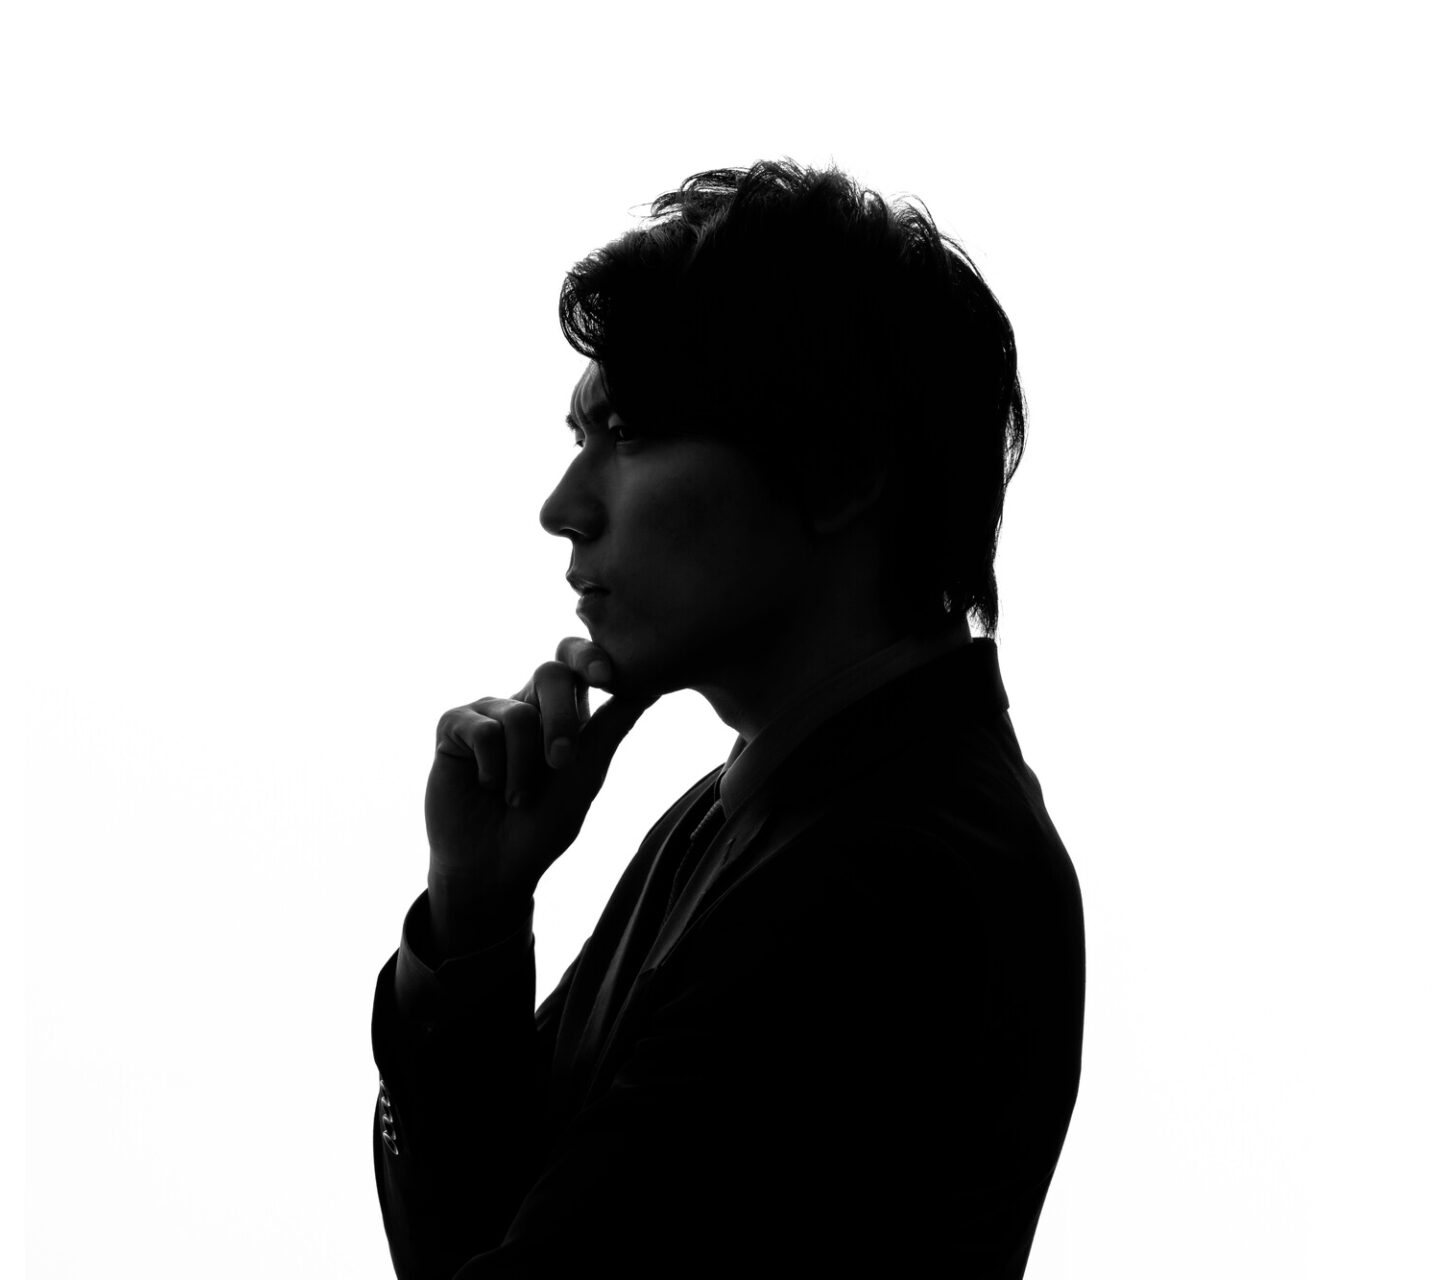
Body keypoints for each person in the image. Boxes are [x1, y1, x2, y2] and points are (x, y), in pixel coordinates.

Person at [370, 160, 1085, 1278]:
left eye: (630, 433)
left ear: (840, 468)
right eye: (578, 437)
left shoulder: (888, 877)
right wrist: (474, 914)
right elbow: (479, 1229)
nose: (564, 508)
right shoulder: (755, 808)